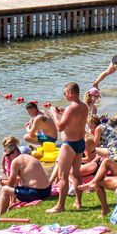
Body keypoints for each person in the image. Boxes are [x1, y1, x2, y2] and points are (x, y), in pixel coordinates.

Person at [48, 82, 89, 213]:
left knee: (63, 175)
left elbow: (60, 127)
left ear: (70, 93)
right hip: (80, 142)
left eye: (65, 93)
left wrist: (54, 114)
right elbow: (75, 119)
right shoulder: (84, 106)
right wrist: (64, 112)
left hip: (70, 144)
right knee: (76, 175)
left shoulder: (71, 108)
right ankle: (78, 202)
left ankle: (60, 206)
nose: (64, 95)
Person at [0, 137, 54, 213]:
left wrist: (2, 182)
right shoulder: (29, 157)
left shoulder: (16, 161)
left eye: (8, 155)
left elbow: (10, 184)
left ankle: (1, 216)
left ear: (15, 152)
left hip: (37, 193)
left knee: (5, 189)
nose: (8, 158)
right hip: (47, 190)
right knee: (18, 187)